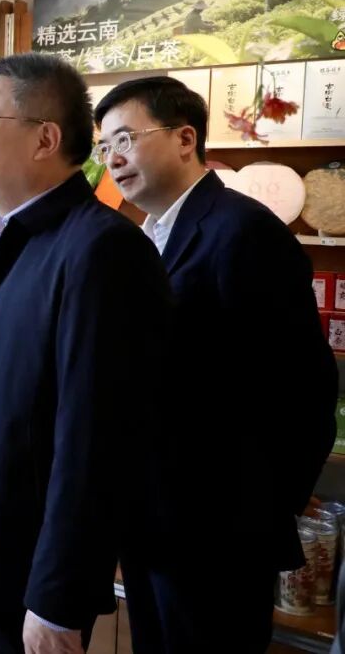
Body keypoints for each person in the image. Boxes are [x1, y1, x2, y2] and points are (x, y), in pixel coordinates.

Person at [0, 52, 172, 653]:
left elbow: (97, 443)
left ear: (45, 139)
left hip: (27, 570)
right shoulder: (11, 240)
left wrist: (58, 597)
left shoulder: (102, 250)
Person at [95, 76, 337, 653]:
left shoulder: (242, 230)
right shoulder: (147, 235)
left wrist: (260, 511)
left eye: (126, 139)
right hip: (152, 522)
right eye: (105, 147)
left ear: (185, 139)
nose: (113, 159)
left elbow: (306, 387)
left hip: (218, 536)